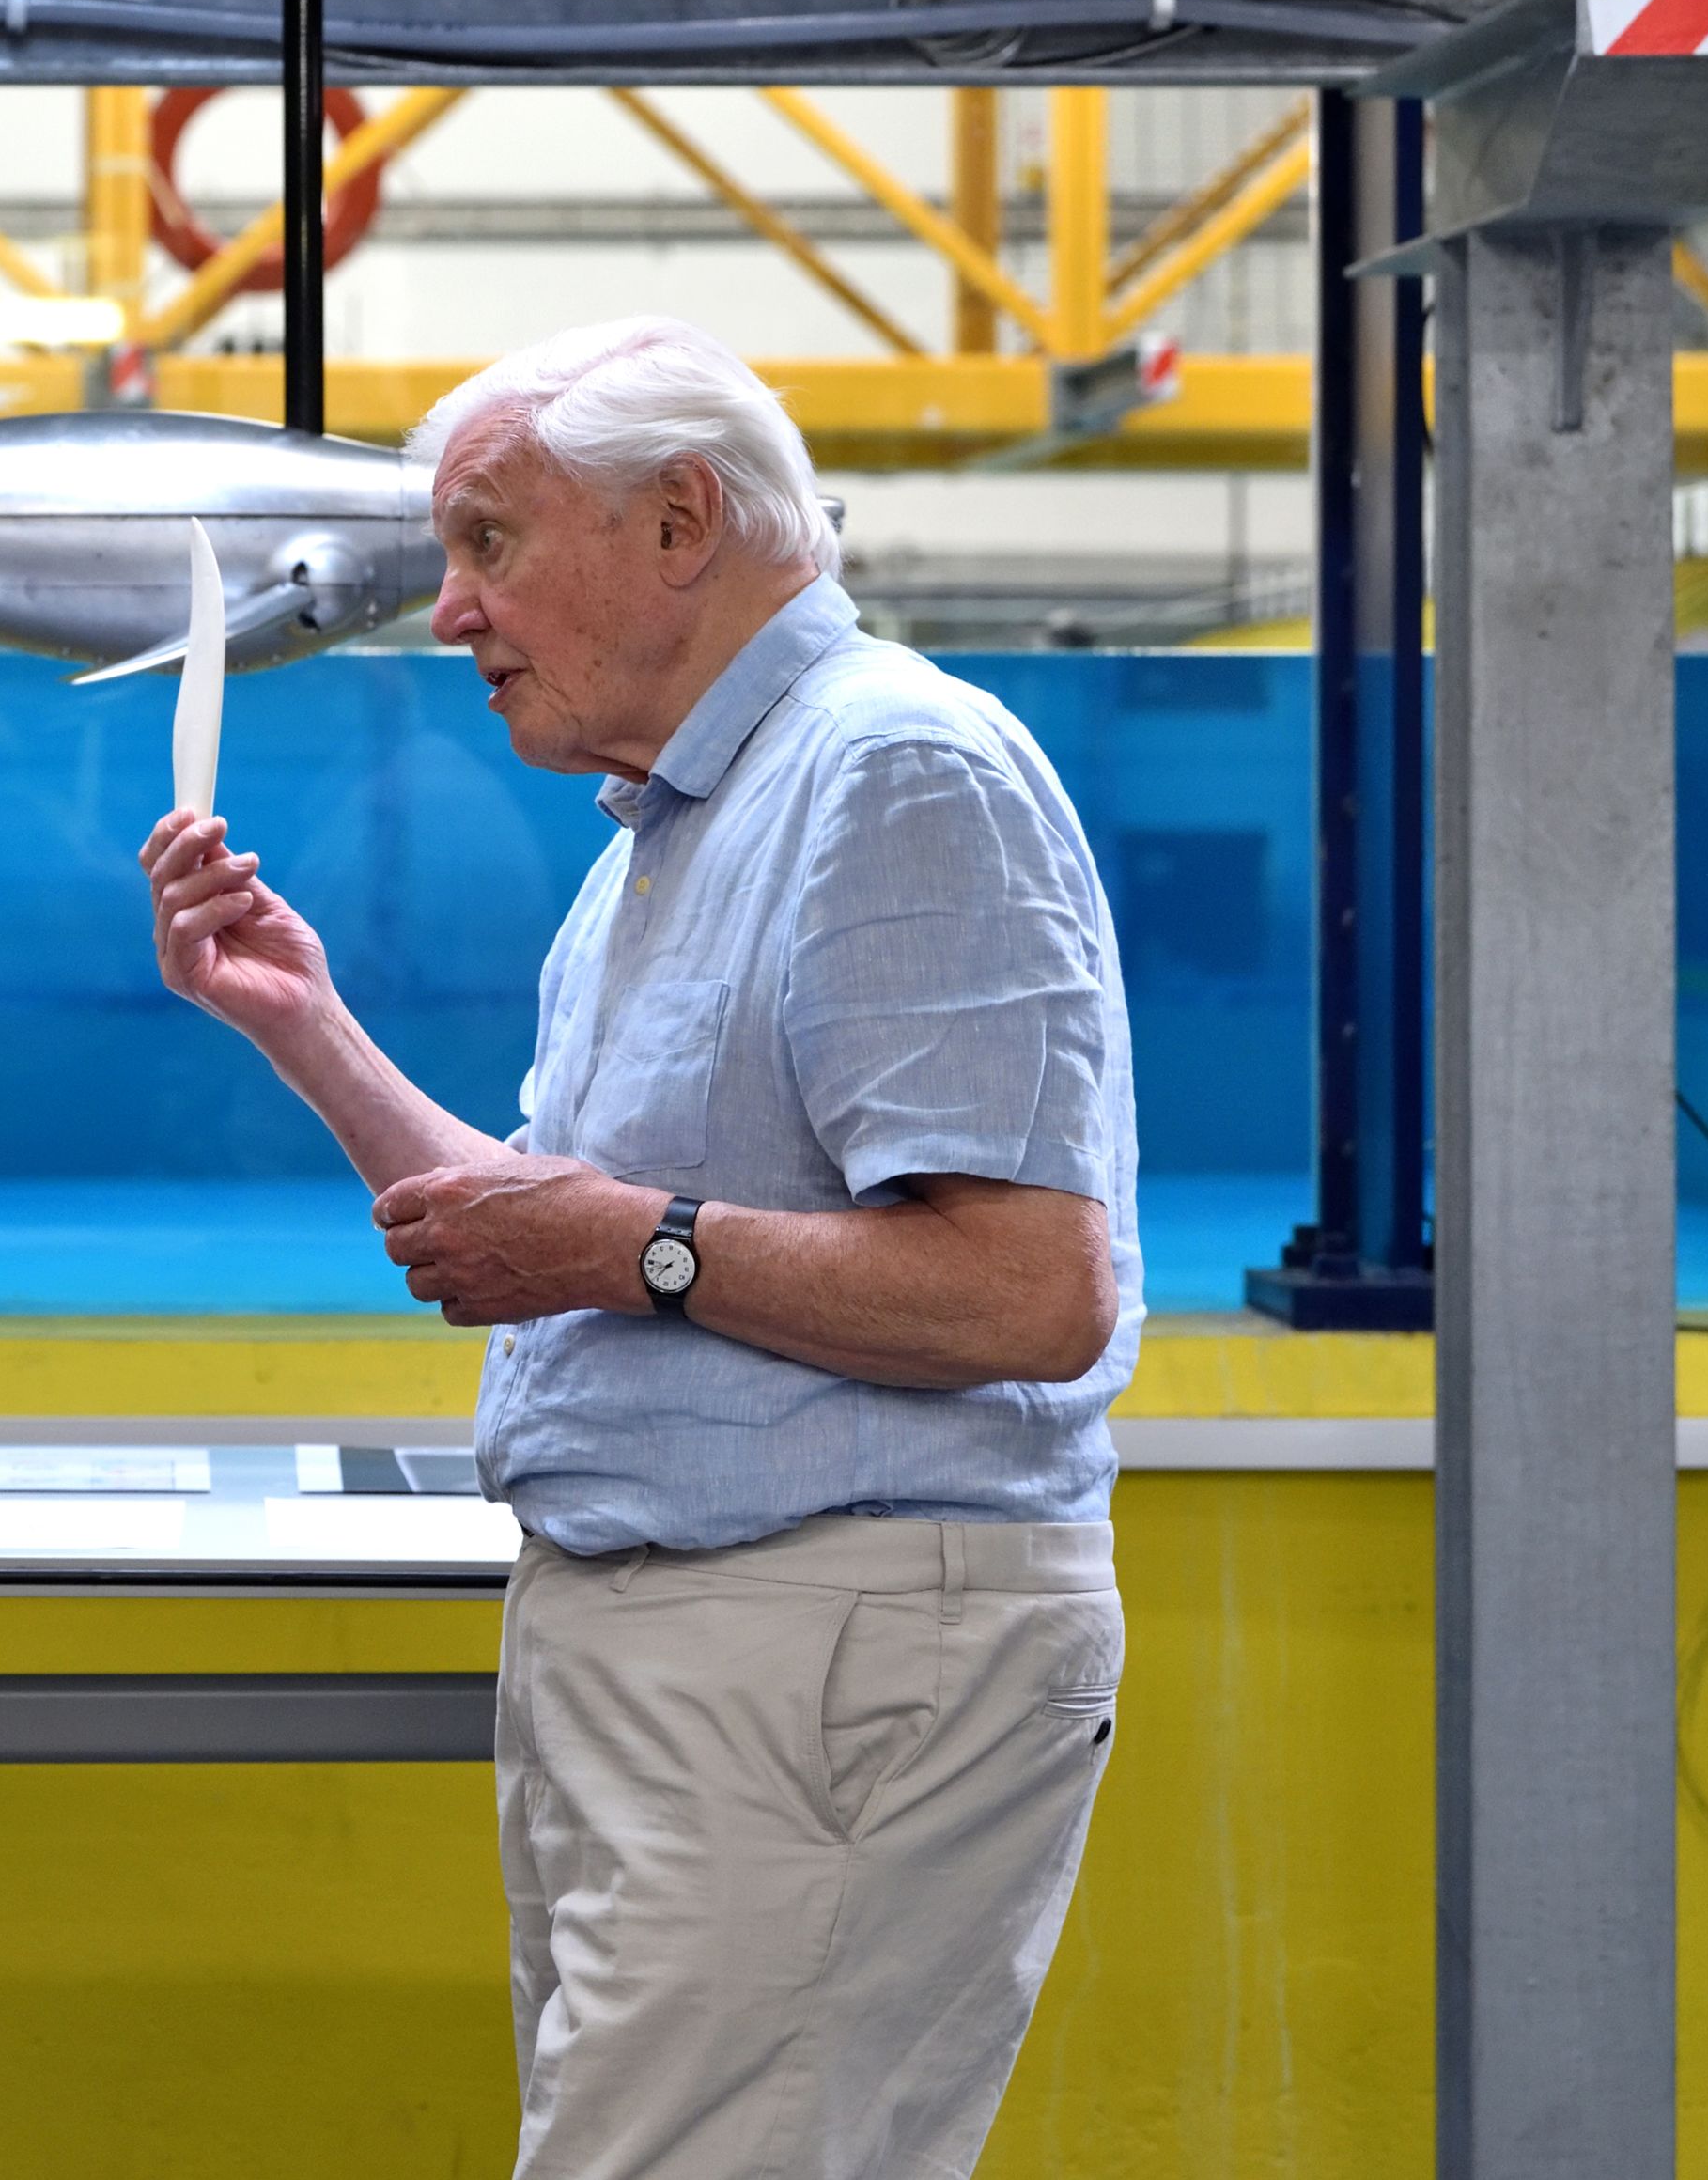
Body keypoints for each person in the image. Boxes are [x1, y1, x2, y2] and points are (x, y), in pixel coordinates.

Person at [141, 318, 1136, 2180]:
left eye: (487, 542)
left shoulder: (895, 771)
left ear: (681, 518)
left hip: (819, 1643)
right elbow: (541, 1235)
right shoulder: (664, 839)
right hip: (684, 1645)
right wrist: (300, 1022)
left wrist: (627, 1243)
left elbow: (1022, 1292)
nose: (448, 612)